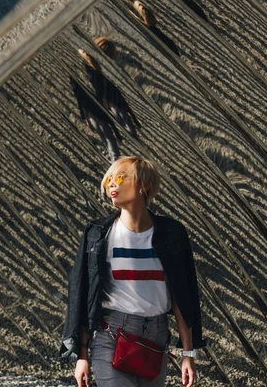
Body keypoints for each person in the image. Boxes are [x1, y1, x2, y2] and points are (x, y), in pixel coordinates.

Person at [60, 156, 205, 387]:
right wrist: (82, 356)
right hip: (111, 336)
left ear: (143, 186)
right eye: (109, 180)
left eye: (120, 178)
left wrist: (188, 354)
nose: (112, 185)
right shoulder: (98, 234)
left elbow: (183, 296)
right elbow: (84, 292)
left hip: (155, 341)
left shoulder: (172, 233)